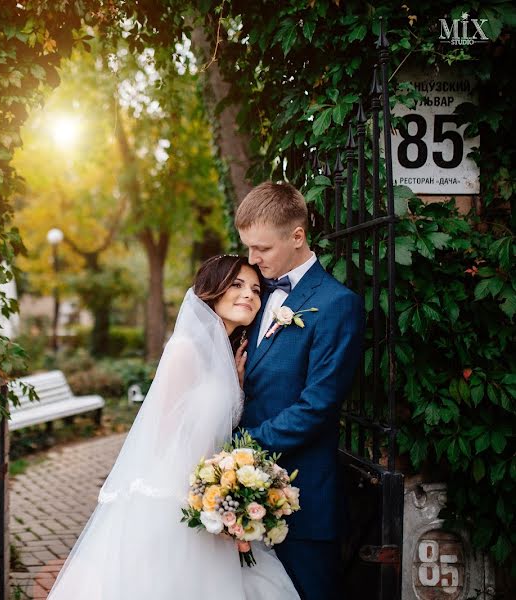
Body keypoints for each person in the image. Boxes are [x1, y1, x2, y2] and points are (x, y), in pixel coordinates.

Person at [46, 255, 299, 600]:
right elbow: (164, 435)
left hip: (210, 495)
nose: (249, 295)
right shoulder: (184, 350)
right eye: (237, 285)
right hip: (176, 495)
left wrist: (236, 387)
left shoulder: (227, 354)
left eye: (256, 289)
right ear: (212, 290)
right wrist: (206, 494)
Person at [237, 182, 365, 600]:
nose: (252, 259)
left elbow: (318, 406)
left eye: (262, 249)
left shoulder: (336, 304)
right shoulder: (253, 295)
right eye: (248, 247)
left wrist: (241, 447)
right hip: (240, 497)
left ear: (297, 236)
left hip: (303, 500)